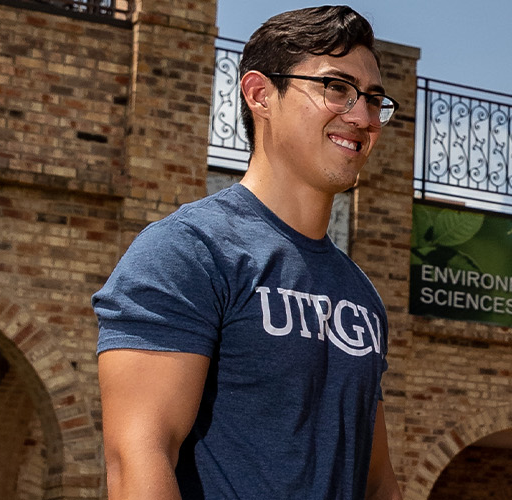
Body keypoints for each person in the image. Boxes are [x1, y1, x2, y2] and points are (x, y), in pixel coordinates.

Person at [93, 6, 401, 499]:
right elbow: (138, 459)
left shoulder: (360, 295)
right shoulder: (188, 251)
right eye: (336, 89)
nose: (362, 117)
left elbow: (377, 480)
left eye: (374, 99)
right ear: (261, 94)